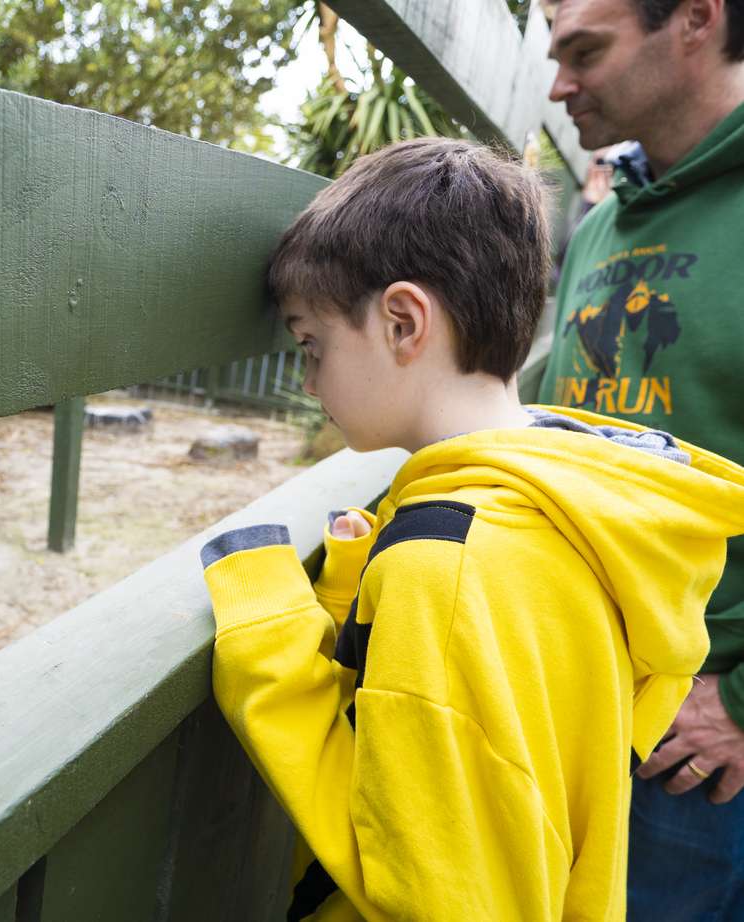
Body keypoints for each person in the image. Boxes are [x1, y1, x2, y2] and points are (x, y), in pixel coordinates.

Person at [198, 137, 744, 920]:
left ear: (401, 321)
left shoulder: (447, 574)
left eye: (311, 345)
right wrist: (362, 582)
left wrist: (269, 651)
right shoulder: (567, 504)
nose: (310, 381)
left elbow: (434, 892)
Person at [543, 0, 744, 914]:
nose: (559, 84)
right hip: (572, 704)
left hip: (698, 753)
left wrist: (742, 702)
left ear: (696, 19)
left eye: (587, 50)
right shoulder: (599, 225)